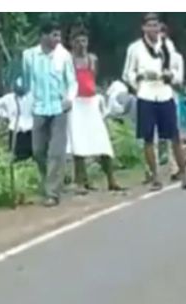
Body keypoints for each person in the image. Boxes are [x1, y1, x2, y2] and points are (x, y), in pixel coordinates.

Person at [124, 13, 186, 190]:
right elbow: (128, 74)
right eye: (149, 25)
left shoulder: (167, 46)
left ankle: (184, 176)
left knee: (174, 135)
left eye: (156, 25)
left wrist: (171, 76)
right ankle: (155, 178)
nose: (153, 29)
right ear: (143, 28)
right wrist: (140, 80)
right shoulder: (135, 48)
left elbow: (177, 71)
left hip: (165, 92)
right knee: (149, 138)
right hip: (146, 94)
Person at [20, 19, 77, 207]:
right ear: (43, 36)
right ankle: (51, 181)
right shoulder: (29, 56)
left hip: (59, 108)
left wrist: (70, 98)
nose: (57, 39)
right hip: (39, 108)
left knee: (56, 151)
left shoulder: (64, 56)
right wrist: (18, 86)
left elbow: (72, 82)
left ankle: (52, 192)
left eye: (58, 35)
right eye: (53, 35)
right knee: (38, 150)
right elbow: (25, 81)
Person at [68, 26, 123, 193]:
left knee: (102, 140)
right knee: (79, 144)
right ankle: (80, 181)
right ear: (72, 43)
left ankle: (111, 179)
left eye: (84, 41)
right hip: (76, 103)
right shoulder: (69, 60)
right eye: (77, 41)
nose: (81, 45)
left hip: (90, 102)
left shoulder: (92, 59)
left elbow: (93, 78)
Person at [0, 80, 34, 163]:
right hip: (15, 127)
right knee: (16, 152)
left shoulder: (31, 97)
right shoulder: (9, 98)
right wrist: (5, 115)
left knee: (30, 152)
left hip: (30, 127)